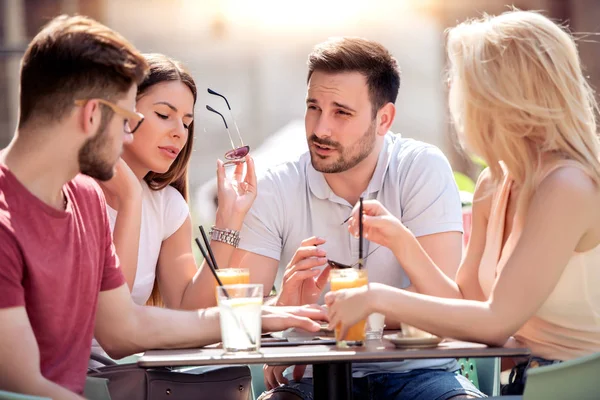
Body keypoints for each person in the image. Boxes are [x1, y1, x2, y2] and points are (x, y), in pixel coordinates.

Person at [0, 15, 325, 399]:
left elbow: (122, 331)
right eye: (127, 119)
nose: (128, 133)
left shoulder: (85, 199)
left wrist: (259, 316)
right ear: (92, 115)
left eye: (186, 121)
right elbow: (23, 387)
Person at [325, 10, 600, 396]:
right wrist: (403, 243)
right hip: (518, 383)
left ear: (503, 95)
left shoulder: (567, 186)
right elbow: (464, 308)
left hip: (572, 385)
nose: (455, 93)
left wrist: (378, 298)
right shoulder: (496, 183)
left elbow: (494, 323)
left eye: (464, 83)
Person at [229, 37, 483, 399]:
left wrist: (400, 242)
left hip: (421, 375)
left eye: (341, 113)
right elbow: (241, 315)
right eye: (313, 107)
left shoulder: (421, 168)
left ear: (384, 119)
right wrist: (284, 306)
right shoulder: (276, 186)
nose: (320, 129)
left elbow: (451, 311)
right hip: (311, 379)